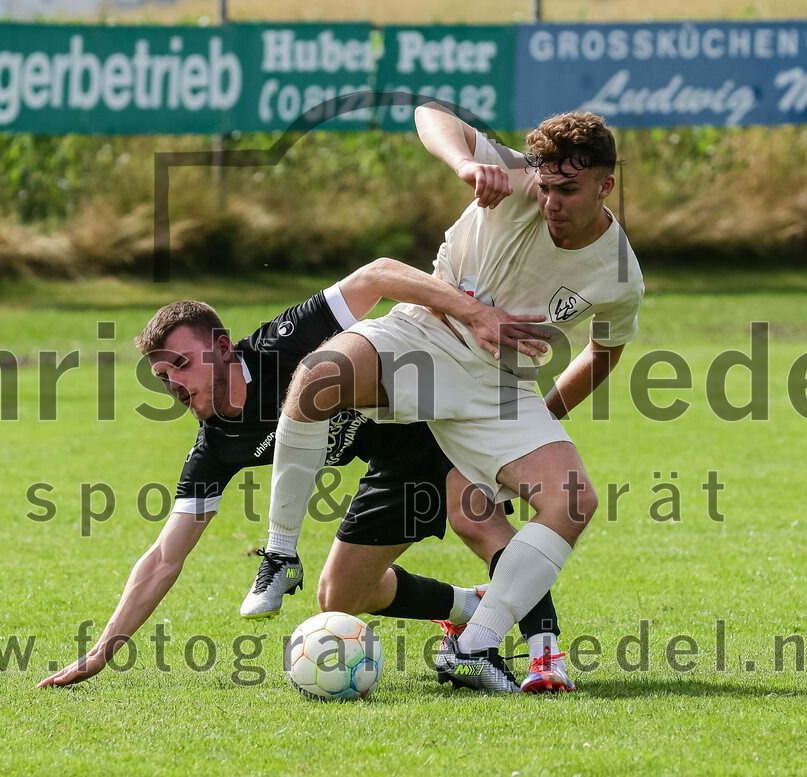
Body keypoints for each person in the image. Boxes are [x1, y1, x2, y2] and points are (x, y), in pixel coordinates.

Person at [251, 104, 645, 693]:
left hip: (498, 386)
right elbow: (429, 112)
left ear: (606, 185)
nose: (551, 202)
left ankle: (476, 644)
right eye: (547, 186)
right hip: (426, 333)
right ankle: (281, 553)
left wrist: (545, 417)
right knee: (317, 377)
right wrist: (466, 163)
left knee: (572, 501)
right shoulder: (515, 180)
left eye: (569, 189)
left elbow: (605, 350)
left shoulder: (620, 272)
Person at [36, 257, 569, 689]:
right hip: (395, 461)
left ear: (222, 347)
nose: (173, 384)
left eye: (181, 364)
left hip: (443, 417)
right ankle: (469, 607)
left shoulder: (282, 344)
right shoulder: (216, 448)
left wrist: (471, 312)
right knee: (341, 594)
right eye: (161, 376)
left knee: (475, 519)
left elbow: (377, 275)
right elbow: (163, 558)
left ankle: (547, 657)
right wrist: (102, 651)